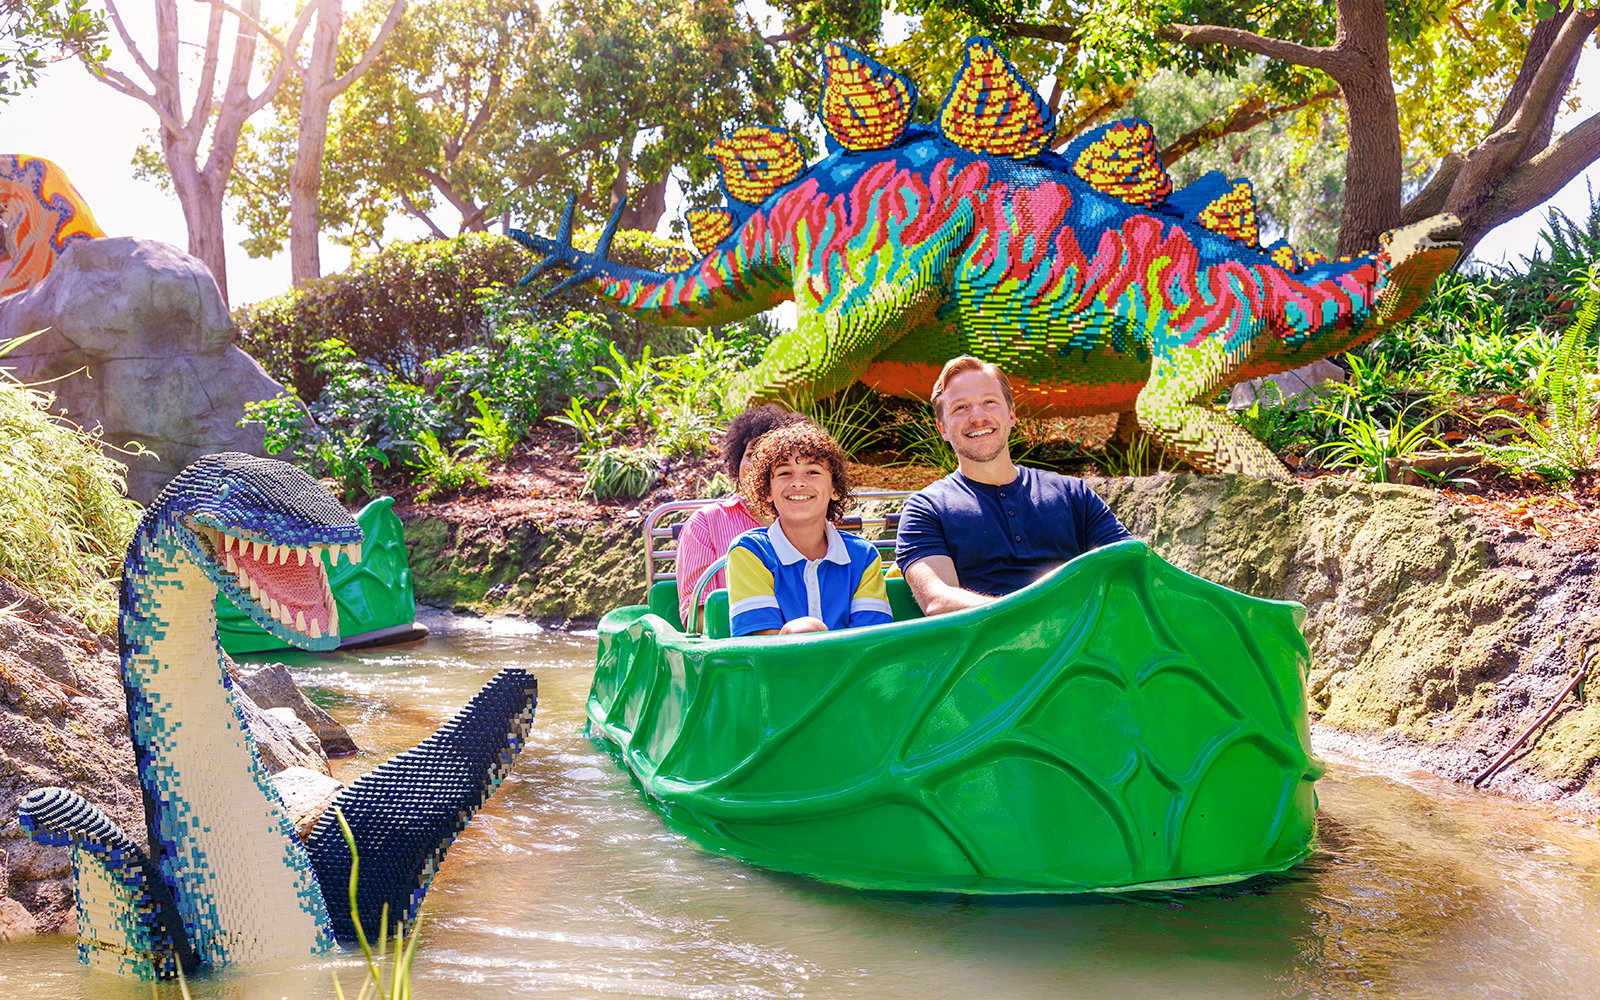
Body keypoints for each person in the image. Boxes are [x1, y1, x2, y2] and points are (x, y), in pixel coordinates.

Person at [894, 355, 1133, 616]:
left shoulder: (1074, 494)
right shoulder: (926, 509)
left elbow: (1131, 567)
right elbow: (938, 600)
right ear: (942, 428)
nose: (977, 417)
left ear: (1011, 414)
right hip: (988, 653)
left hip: (1080, 648)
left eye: (989, 402)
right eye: (960, 408)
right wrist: (1040, 611)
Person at [726, 422, 893, 636]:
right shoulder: (750, 551)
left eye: (812, 471)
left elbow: (872, 641)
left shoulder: (863, 556)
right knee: (804, 630)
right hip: (780, 669)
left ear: (834, 489)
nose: (798, 483)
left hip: (852, 668)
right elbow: (762, 646)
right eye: (785, 473)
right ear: (768, 491)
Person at [675, 405, 810, 629]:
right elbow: (696, 619)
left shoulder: (813, 519)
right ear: (736, 462)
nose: (761, 462)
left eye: (775, 456)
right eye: (752, 454)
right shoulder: (705, 524)